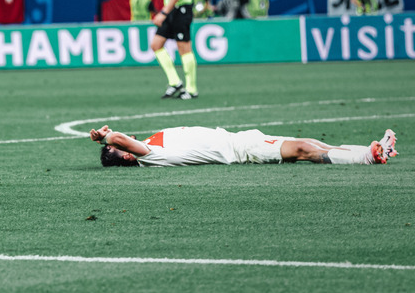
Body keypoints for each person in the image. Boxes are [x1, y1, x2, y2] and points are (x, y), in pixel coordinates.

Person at [89, 124, 397, 167]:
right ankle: (368, 158)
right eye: (121, 150)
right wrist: (105, 136)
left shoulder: (149, 144)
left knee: (309, 143)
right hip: (240, 148)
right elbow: (117, 139)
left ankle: (370, 150)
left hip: (238, 139)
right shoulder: (149, 155)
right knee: (304, 149)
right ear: (127, 156)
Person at [151, 0, 198, 100]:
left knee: (184, 48)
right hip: (171, 10)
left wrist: (163, 13)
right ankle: (175, 82)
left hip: (181, 10)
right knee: (156, 45)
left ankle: (191, 89)